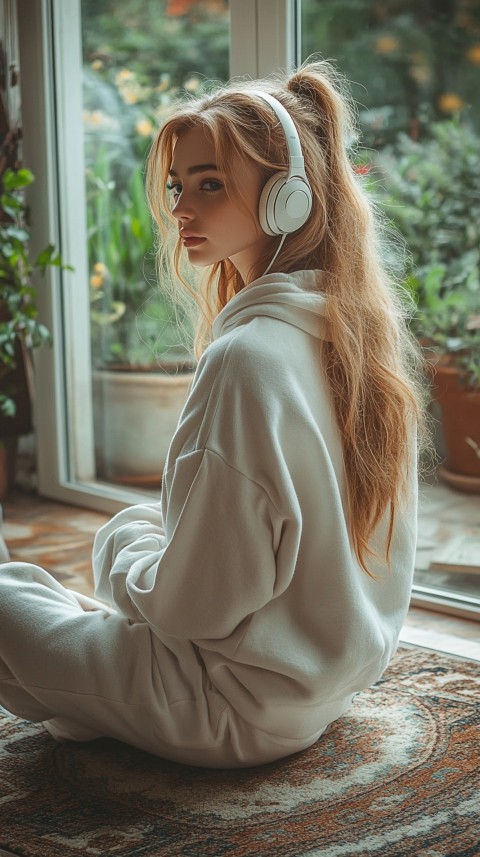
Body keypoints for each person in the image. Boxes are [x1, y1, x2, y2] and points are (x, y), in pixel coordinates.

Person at [0, 61, 426, 768]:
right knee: (37, 617)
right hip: (318, 690)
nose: (180, 210)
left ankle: (80, 689)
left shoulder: (248, 359)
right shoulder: (356, 341)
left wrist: (119, 543)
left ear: (287, 198)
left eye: (209, 184)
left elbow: (187, 613)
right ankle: (74, 690)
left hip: (226, 705)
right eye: (178, 185)